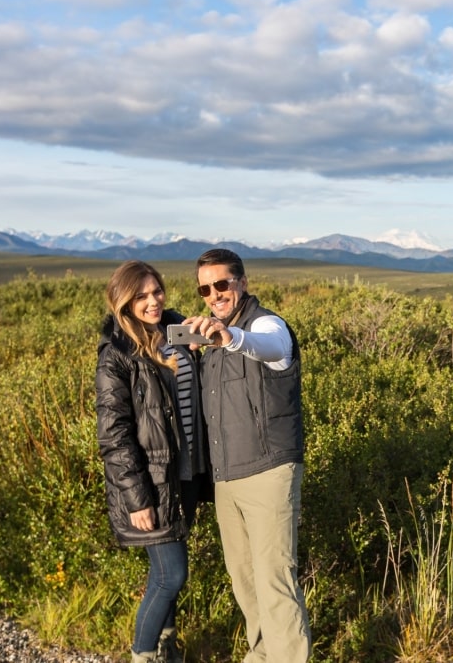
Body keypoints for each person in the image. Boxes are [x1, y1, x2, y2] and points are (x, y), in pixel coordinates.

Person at [182, 248, 311, 663]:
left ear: (243, 282)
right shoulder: (211, 336)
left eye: (222, 284)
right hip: (227, 478)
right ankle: (260, 656)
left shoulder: (264, 324)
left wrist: (230, 337)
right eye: (206, 288)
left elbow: (271, 346)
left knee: (274, 580)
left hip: (269, 470)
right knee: (245, 582)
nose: (214, 294)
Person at [95, 260, 209, 663]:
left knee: (166, 577)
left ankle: (168, 649)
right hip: (152, 484)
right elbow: (114, 435)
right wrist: (137, 497)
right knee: (171, 574)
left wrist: (201, 353)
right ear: (124, 301)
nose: (153, 301)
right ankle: (143, 655)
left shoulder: (179, 331)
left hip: (187, 475)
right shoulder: (117, 354)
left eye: (157, 290)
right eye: (141, 295)